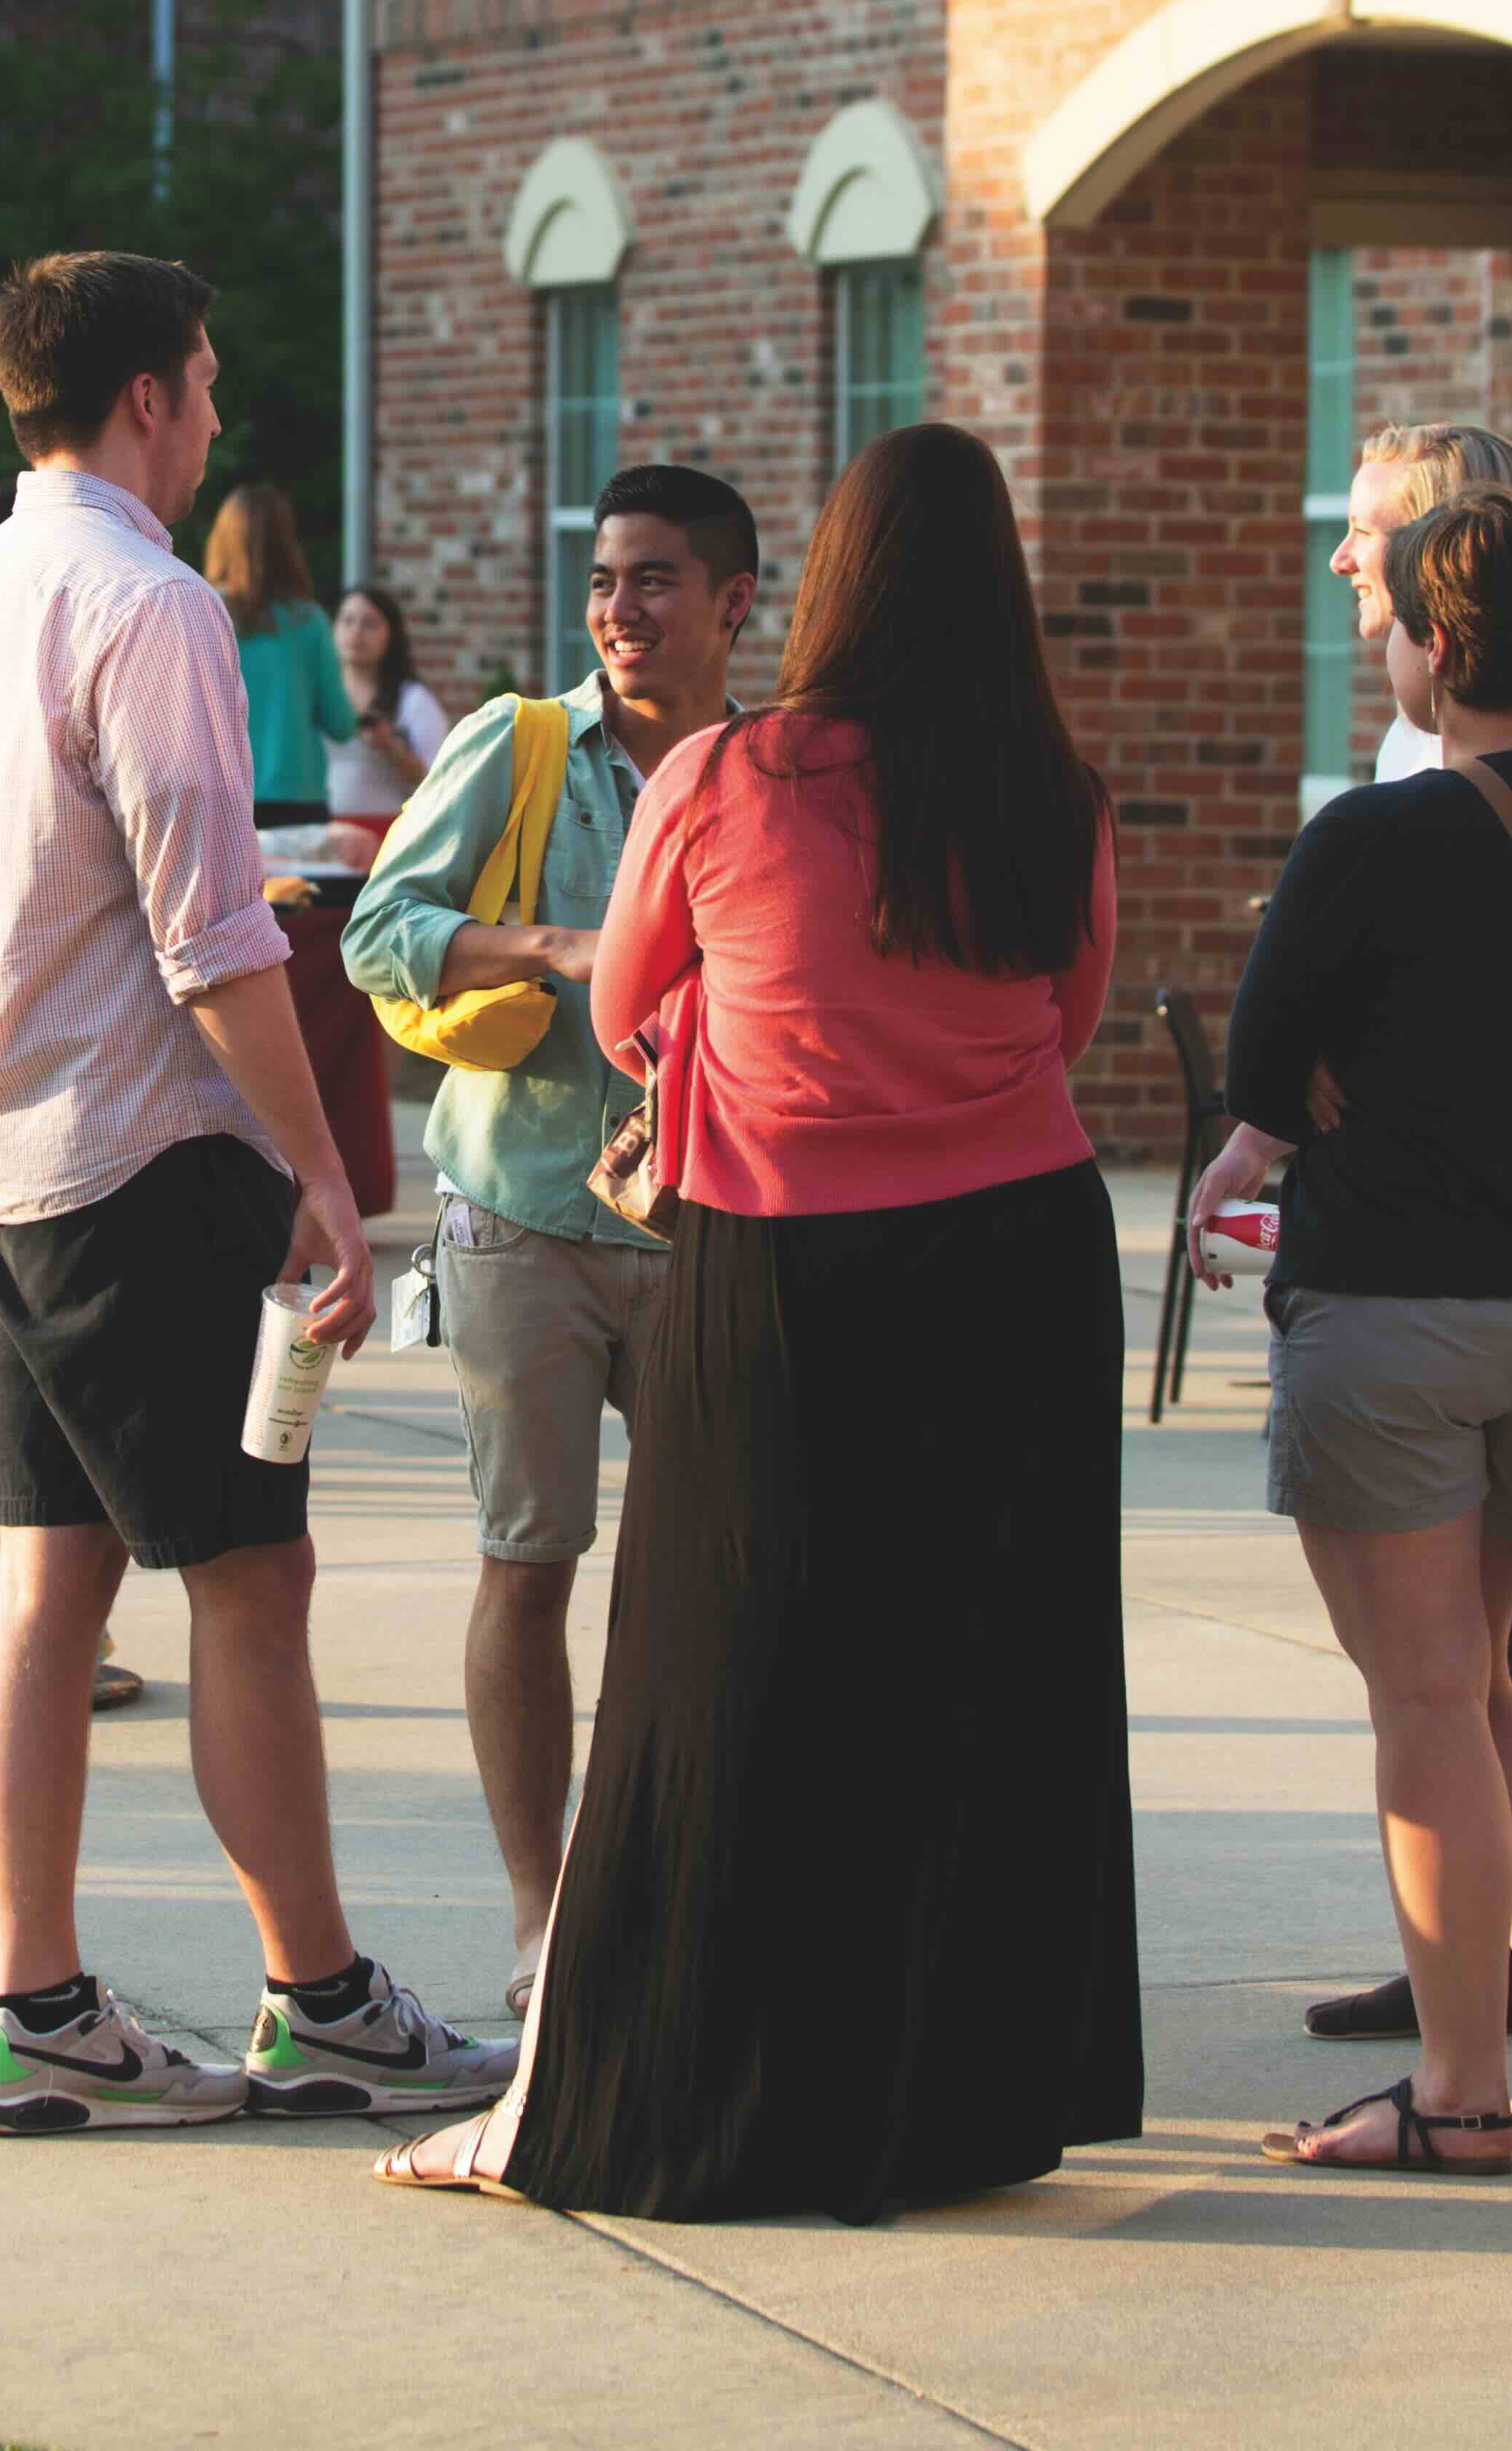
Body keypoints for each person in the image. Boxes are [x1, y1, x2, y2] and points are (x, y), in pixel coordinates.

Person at [385, 421, 1133, 2218]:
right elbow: (1077, 1010)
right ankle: (952, 2094)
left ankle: (625, 2096)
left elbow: (636, 1001)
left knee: (709, 1677)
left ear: (823, 579)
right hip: (1021, 1256)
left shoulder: (727, 773)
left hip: (790, 1249)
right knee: (972, 1674)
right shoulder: (1055, 785)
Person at [0, 251, 509, 2137]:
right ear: (149, 396)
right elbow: (208, 934)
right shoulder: (143, 600)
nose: (222, 419)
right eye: (209, 384)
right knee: (254, 1581)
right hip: (144, 1163)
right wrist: (328, 1173)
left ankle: (43, 2014)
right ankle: (317, 2002)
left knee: (51, 1585)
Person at [1214, 490, 1512, 2175]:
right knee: (1481, 1683)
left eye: (1393, 614)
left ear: (1437, 640)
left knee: (1420, 1699)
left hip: (1394, 1311)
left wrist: (1329, 1072)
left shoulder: (1370, 833)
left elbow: (1264, 1071)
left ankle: (1461, 2085)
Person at [340, 464, 757, 2011]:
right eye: (601, 579)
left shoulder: (770, 772)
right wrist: (556, 944)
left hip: (714, 1224)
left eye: (653, 579)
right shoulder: (516, 744)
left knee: (709, 1574)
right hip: (521, 1209)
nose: (619, 609)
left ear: (731, 601)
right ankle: (543, 1915)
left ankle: (686, 1886)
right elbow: (377, 927)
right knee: (529, 1561)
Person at [201, 477, 358, 829]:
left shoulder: (204, 611)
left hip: (221, 794)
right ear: (287, 544)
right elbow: (342, 724)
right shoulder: (310, 620)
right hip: (299, 799)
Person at [325, 583, 449, 827]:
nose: (356, 632)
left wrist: (392, 748)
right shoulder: (319, 693)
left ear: (391, 634)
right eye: (347, 621)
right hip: (328, 828)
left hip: (390, 829)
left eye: (369, 624)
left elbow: (439, 780)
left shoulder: (413, 700)